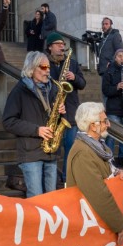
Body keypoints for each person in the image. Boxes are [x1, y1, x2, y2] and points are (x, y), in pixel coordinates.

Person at [2, 51, 65, 197]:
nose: (48, 70)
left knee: (52, 197)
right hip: (30, 153)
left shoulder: (53, 88)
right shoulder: (19, 91)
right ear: (31, 68)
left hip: (51, 152)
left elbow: (55, 118)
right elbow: (8, 122)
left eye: (48, 67)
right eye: (43, 67)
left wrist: (61, 113)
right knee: (36, 197)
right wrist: (37, 130)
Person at [66, 102, 123, 246]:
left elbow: (105, 171)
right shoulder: (83, 152)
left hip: (97, 222)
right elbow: (98, 192)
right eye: (104, 121)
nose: (108, 124)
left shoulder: (96, 145)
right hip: (89, 225)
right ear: (93, 126)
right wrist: (119, 225)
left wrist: (117, 172)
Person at [46, 32, 86, 181]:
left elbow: (82, 84)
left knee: (70, 148)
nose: (62, 47)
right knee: (52, 148)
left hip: (70, 112)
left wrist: (75, 77)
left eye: (63, 44)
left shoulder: (72, 63)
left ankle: (67, 177)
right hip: (52, 111)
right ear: (50, 47)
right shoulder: (44, 63)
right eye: (58, 44)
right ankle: (51, 178)